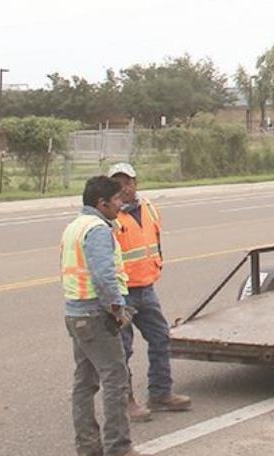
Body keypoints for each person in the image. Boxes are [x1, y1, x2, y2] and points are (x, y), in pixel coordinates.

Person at [61, 174, 141, 456]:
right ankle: (119, 447)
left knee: (84, 382)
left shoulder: (75, 226)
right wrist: (117, 309)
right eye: (117, 199)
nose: (121, 204)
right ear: (102, 203)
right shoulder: (97, 230)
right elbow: (103, 276)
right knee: (115, 379)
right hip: (96, 315)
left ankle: (88, 446)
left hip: (76, 313)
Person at [108, 162, 192, 421]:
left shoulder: (150, 209)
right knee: (123, 350)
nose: (124, 187)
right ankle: (126, 402)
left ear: (136, 183)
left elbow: (155, 243)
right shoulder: (109, 218)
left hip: (146, 288)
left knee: (160, 338)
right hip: (122, 294)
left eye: (128, 181)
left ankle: (160, 393)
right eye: (118, 183)